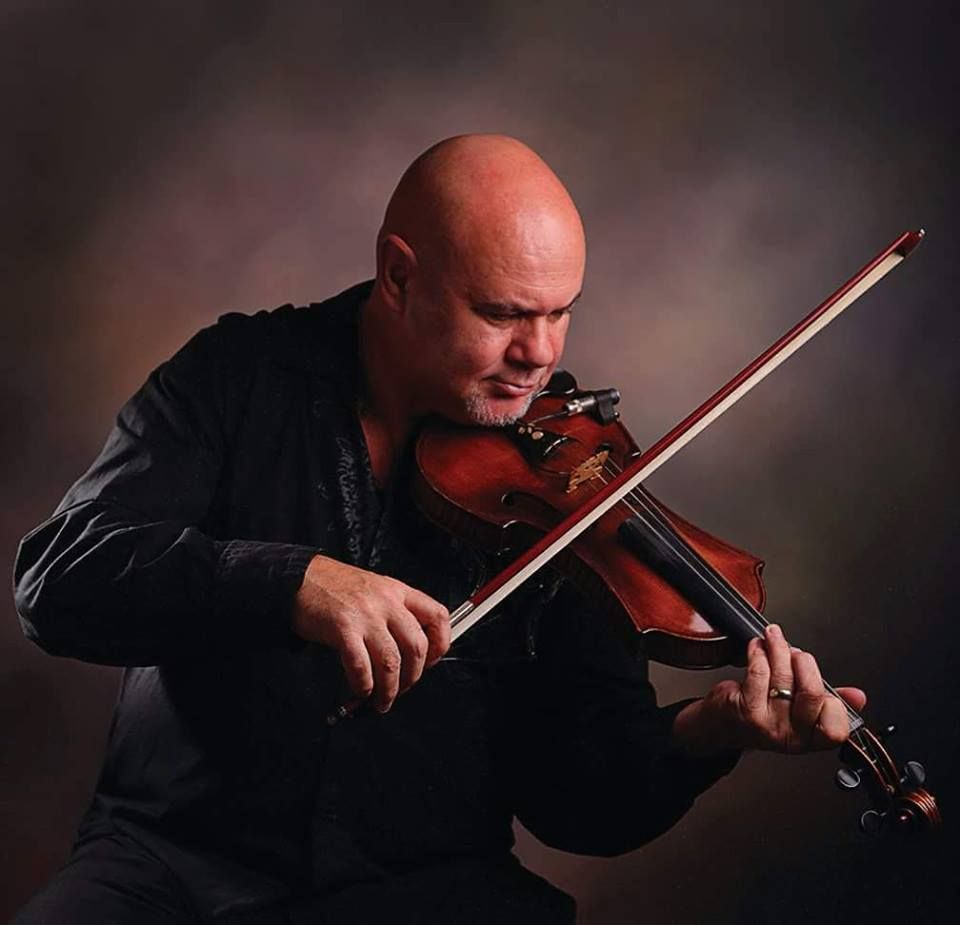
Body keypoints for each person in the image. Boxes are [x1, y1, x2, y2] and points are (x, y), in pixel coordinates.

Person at [12, 134, 866, 924]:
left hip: (427, 889)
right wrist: (296, 581)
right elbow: (59, 577)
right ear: (398, 276)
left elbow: (576, 800)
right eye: (503, 314)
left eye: (560, 312)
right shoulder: (237, 377)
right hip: (173, 866)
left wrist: (710, 732)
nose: (541, 354)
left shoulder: (569, 473)